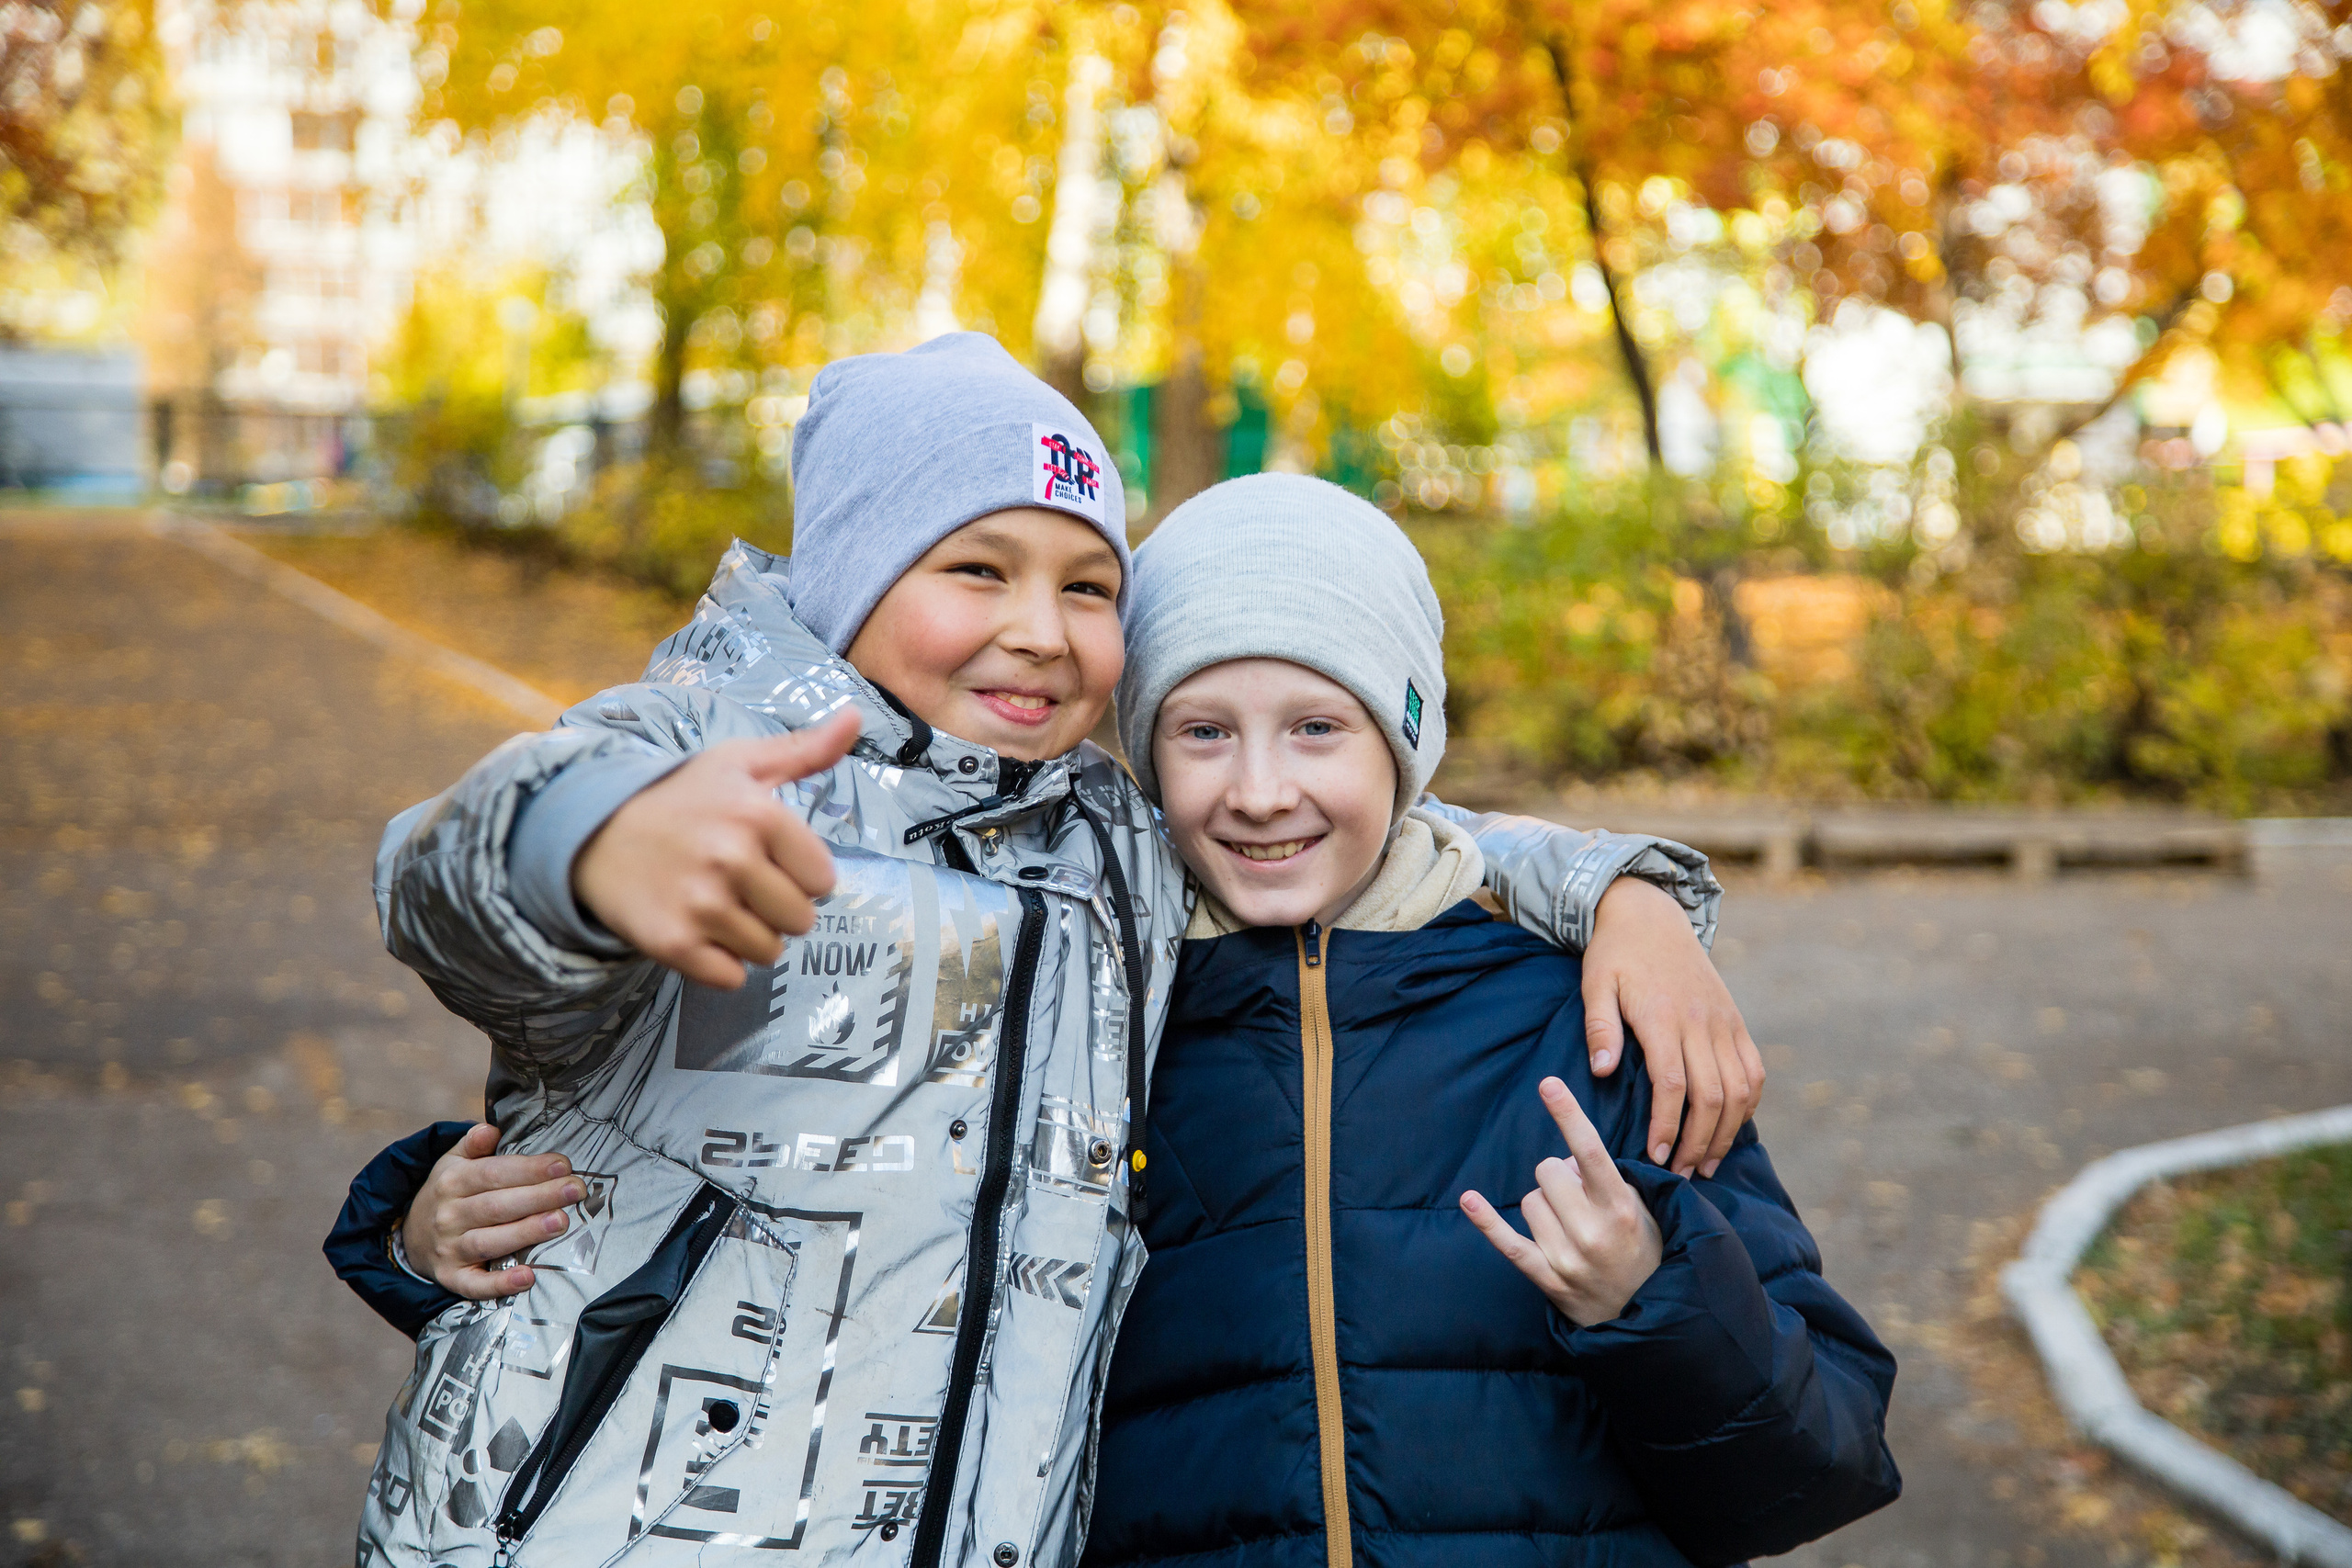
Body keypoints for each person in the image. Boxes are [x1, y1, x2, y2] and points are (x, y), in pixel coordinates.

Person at [326, 335, 1757, 1568]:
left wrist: (1624, 887)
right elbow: (448, 871)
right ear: (852, 569)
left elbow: (1372, 813)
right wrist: (592, 843)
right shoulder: (700, 768)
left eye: (1086, 586)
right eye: (976, 567)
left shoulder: (1109, 842)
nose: (1037, 629)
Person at [1075, 474, 1899, 1568]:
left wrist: (1653, 1301)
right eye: (1203, 732)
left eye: (1318, 727)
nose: (1261, 790)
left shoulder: (1590, 1017)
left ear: (1403, 741)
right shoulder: (1093, 1032)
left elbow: (1816, 1470)